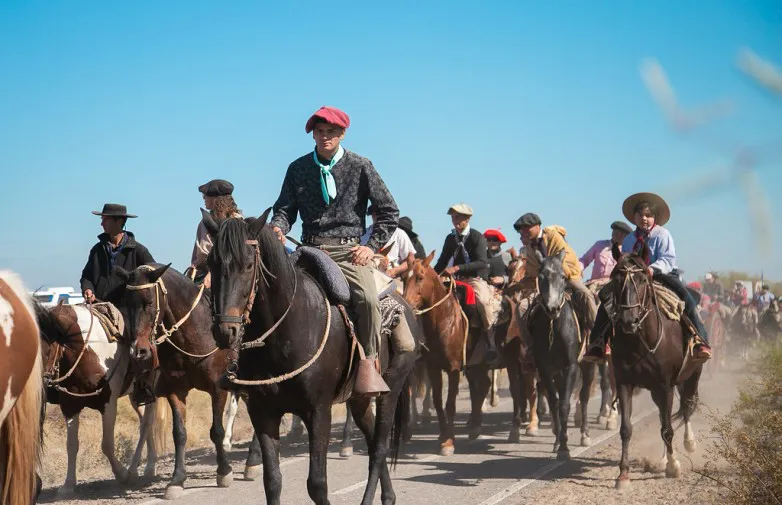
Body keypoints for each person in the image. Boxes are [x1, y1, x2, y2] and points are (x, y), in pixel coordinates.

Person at [269, 105, 396, 397]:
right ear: (313, 135)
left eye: (330, 132)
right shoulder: (297, 168)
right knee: (273, 294)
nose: (324, 137)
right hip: (308, 249)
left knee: (367, 300)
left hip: (350, 252)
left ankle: (369, 364)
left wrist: (370, 247)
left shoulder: (361, 165)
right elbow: (284, 210)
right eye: (319, 132)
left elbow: (389, 212)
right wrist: (278, 228)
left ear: (342, 134)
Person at [583, 192, 712, 364]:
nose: (644, 218)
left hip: (662, 275)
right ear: (634, 217)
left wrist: (651, 270)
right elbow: (625, 259)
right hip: (635, 277)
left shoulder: (662, 234)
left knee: (685, 296)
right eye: (640, 215)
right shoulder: (629, 239)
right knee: (606, 295)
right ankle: (598, 342)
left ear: (655, 218)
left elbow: (668, 259)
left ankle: (699, 340)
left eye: (648, 215)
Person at [80, 203, 156, 405]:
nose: (101, 222)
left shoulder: (138, 251)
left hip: (126, 309)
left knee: (137, 342)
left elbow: (152, 275)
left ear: (118, 222)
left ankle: (142, 386)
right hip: (98, 305)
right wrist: (87, 288)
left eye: (105, 219)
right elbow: (86, 276)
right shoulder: (97, 250)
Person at [433, 204, 498, 363]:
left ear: (467, 219)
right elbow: (442, 261)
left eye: (458, 217)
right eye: (453, 217)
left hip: (475, 279)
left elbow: (482, 262)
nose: (455, 220)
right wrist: (432, 275)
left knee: (483, 303)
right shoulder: (450, 238)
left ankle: (491, 343)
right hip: (456, 280)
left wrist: (457, 267)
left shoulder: (477, 237)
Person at [514, 212, 596, 335]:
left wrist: (548, 270)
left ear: (537, 226)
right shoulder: (529, 247)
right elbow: (532, 272)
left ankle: (596, 336)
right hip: (544, 284)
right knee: (520, 307)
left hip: (565, 277)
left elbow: (563, 257)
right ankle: (528, 343)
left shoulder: (553, 236)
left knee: (586, 294)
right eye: (521, 230)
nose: (523, 232)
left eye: (527, 228)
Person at [189, 179, 242, 287]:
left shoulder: (238, 222)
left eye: (207, 195)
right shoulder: (204, 222)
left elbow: (204, 254)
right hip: (205, 273)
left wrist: (211, 273)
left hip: (230, 276)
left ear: (217, 199)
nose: (203, 197)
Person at [361, 205, 416, 277]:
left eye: (381, 213)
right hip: (366, 275)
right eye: (375, 213)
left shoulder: (399, 234)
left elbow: (410, 260)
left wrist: (394, 271)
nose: (377, 216)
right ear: (372, 214)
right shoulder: (363, 234)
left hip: (392, 277)